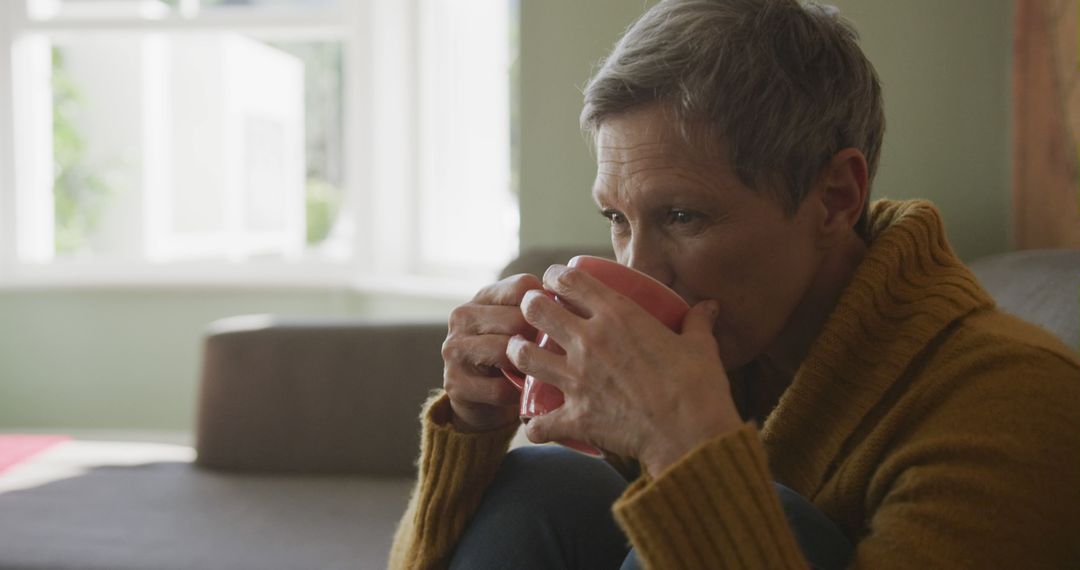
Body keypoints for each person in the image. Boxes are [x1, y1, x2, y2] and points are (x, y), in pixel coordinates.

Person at [389, 0, 1080, 568]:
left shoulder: (1019, 402)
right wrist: (475, 434)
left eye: (683, 216)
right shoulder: (729, 345)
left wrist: (687, 452)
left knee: (773, 520)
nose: (639, 270)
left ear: (836, 198)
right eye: (616, 218)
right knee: (540, 482)